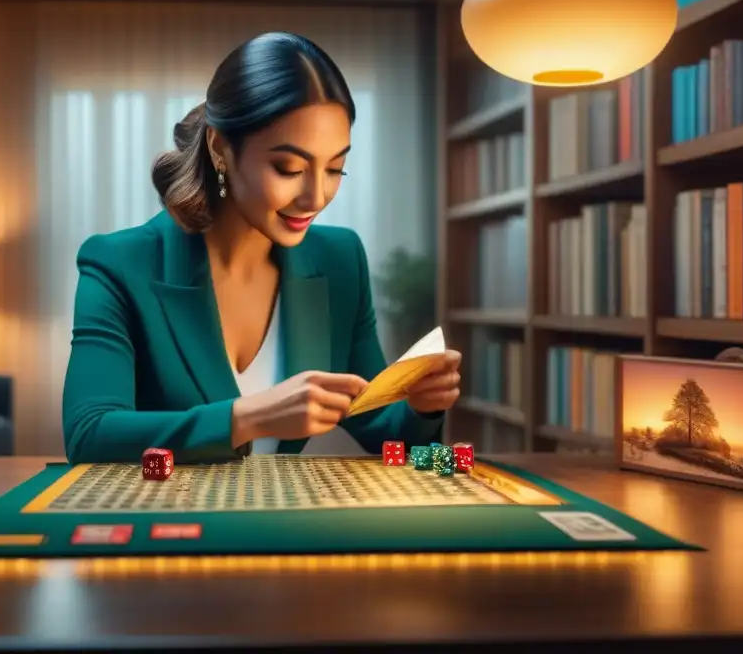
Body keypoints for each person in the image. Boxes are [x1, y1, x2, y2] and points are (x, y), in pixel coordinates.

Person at [62, 31, 463, 465]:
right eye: (288, 167)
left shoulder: (340, 259)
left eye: (335, 169)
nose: (316, 197)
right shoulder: (120, 264)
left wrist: (422, 405)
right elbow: (90, 433)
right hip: (168, 524)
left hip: (283, 524)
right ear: (220, 148)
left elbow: (385, 434)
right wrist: (249, 416)